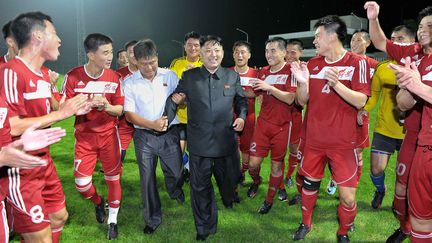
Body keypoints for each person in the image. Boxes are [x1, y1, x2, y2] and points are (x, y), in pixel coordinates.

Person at [0, 11, 91, 243]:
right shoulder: (10, 72)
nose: (59, 40)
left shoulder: (41, 75)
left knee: (59, 217)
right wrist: (62, 113)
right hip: (20, 167)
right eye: (55, 33)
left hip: (43, 161)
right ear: (38, 36)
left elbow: (44, 115)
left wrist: (67, 109)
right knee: (40, 239)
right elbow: (11, 126)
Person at [291, 15, 371, 242]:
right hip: (314, 142)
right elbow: (301, 101)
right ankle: (306, 223)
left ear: (333, 36)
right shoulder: (313, 64)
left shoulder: (357, 63)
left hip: (344, 144)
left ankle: (343, 230)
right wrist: (303, 82)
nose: (314, 41)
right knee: (309, 186)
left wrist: (337, 85)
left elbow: (361, 101)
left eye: (318, 36)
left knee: (347, 198)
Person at [165, 35, 247, 241]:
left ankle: (228, 195)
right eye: (208, 50)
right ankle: (204, 226)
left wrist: (243, 118)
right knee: (200, 187)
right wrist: (168, 114)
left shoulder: (231, 76)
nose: (213, 54)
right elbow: (175, 98)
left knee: (230, 180)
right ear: (201, 54)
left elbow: (242, 102)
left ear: (222, 52)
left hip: (226, 143)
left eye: (217, 49)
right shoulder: (189, 77)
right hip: (200, 144)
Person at [365, 2, 432, 241]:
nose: (424, 29)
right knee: (403, 189)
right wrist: (373, 19)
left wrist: (416, 87)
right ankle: (405, 227)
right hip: (413, 136)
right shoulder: (413, 52)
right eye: (422, 25)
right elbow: (381, 42)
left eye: (429, 26)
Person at [61, 33, 124, 240]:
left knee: (113, 179)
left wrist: (106, 106)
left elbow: (119, 110)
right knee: (82, 185)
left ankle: (112, 221)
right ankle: (98, 202)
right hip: (85, 139)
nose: (110, 56)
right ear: (91, 54)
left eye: (111, 52)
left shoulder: (114, 77)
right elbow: (63, 108)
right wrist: (84, 105)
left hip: (108, 137)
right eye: (105, 52)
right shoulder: (73, 76)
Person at [123, 39, 185, 235]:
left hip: (170, 135)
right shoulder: (129, 83)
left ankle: (174, 189)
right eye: (144, 63)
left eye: (152, 62)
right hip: (144, 137)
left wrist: (182, 99)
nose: (149, 67)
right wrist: (153, 125)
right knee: (147, 179)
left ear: (157, 57)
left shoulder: (170, 76)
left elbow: (181, 99)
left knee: (176, 173)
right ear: (135, 61)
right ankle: (153, 218)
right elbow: (129, 115)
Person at [357, 26, 415, 219]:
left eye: (400, 38)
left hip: (411, 132)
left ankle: (402, 205)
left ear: (412, 42)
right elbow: (374, 95)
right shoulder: (383, 68)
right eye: (392, 38)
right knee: (376, 169)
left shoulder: (420, 67)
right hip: (384, 129)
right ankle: (380, 190)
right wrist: (365, 110)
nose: (395, 42)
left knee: (406, 177)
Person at [0, 97, 66, 243]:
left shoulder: (1, 102)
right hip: (17, 180)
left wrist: (20, 145)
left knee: (58, 218)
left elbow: (4, 146)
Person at [245, 37, 296, 215]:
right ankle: (257, 181)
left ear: (283, 52)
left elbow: (291, 98)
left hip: (282, 128)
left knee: (276, 166)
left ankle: (269, 199)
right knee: (252, 164)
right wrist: (234, 87)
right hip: (263, 126)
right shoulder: (263, 72)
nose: (269, 54)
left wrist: (270, 87)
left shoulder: (291, 70)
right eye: (267, 51)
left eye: (273, 50)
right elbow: (253, 92)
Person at [326, 29, 379, 196]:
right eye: (353, 40)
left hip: (360, 114)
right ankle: (336, 177)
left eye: (359, 40)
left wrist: (364, 109)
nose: (354, 43)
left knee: (357, 151)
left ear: (368, 43)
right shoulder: (343, 61)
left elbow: (376, 93)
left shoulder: (374, 66)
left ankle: (352, 184)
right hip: (339, 114)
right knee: (334, 149)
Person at [169, 31, 203, 182]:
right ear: (184, 46)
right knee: (177, 152)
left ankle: (193, 174)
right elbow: (171, 86)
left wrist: (194, 76)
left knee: (197, 151)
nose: (193, 48)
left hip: (198, 118)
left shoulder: (205, 64)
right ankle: (186, 168)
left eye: (196, 45)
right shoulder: (177, 63)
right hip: (180, 117)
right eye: (190, 45)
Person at [230, 40, 258, 187]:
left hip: (249, 118)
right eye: (236, 52)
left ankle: (245, 173)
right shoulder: (227, 72)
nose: (239, 55)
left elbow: (256, 93)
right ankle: (236, 174)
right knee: (232, 149)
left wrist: (236, 92)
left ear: (249, 55)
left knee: (247, 151)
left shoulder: (255, 73)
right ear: (233, 55)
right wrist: (246, 92)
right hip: (230, 118)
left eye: (243, 52)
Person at [279, 39, 304, 202]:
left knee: (294, 150)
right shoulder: (279, 68)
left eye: (293, 52)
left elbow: (299, 99)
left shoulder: (303, 70)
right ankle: (280, 184)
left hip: (295, 116)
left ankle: (288, 175)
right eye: (286, 52)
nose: (288, 55)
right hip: (278, 117)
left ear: (300, 53)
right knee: (279, 152)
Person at [117, 40, 138, 162]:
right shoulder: (118, 74)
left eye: (137, 51)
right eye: (131, 52)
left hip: (145, 122)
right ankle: (113, 176)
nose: (135, 55)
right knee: (119, 151)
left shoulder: (150, 72)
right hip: (125, 121)